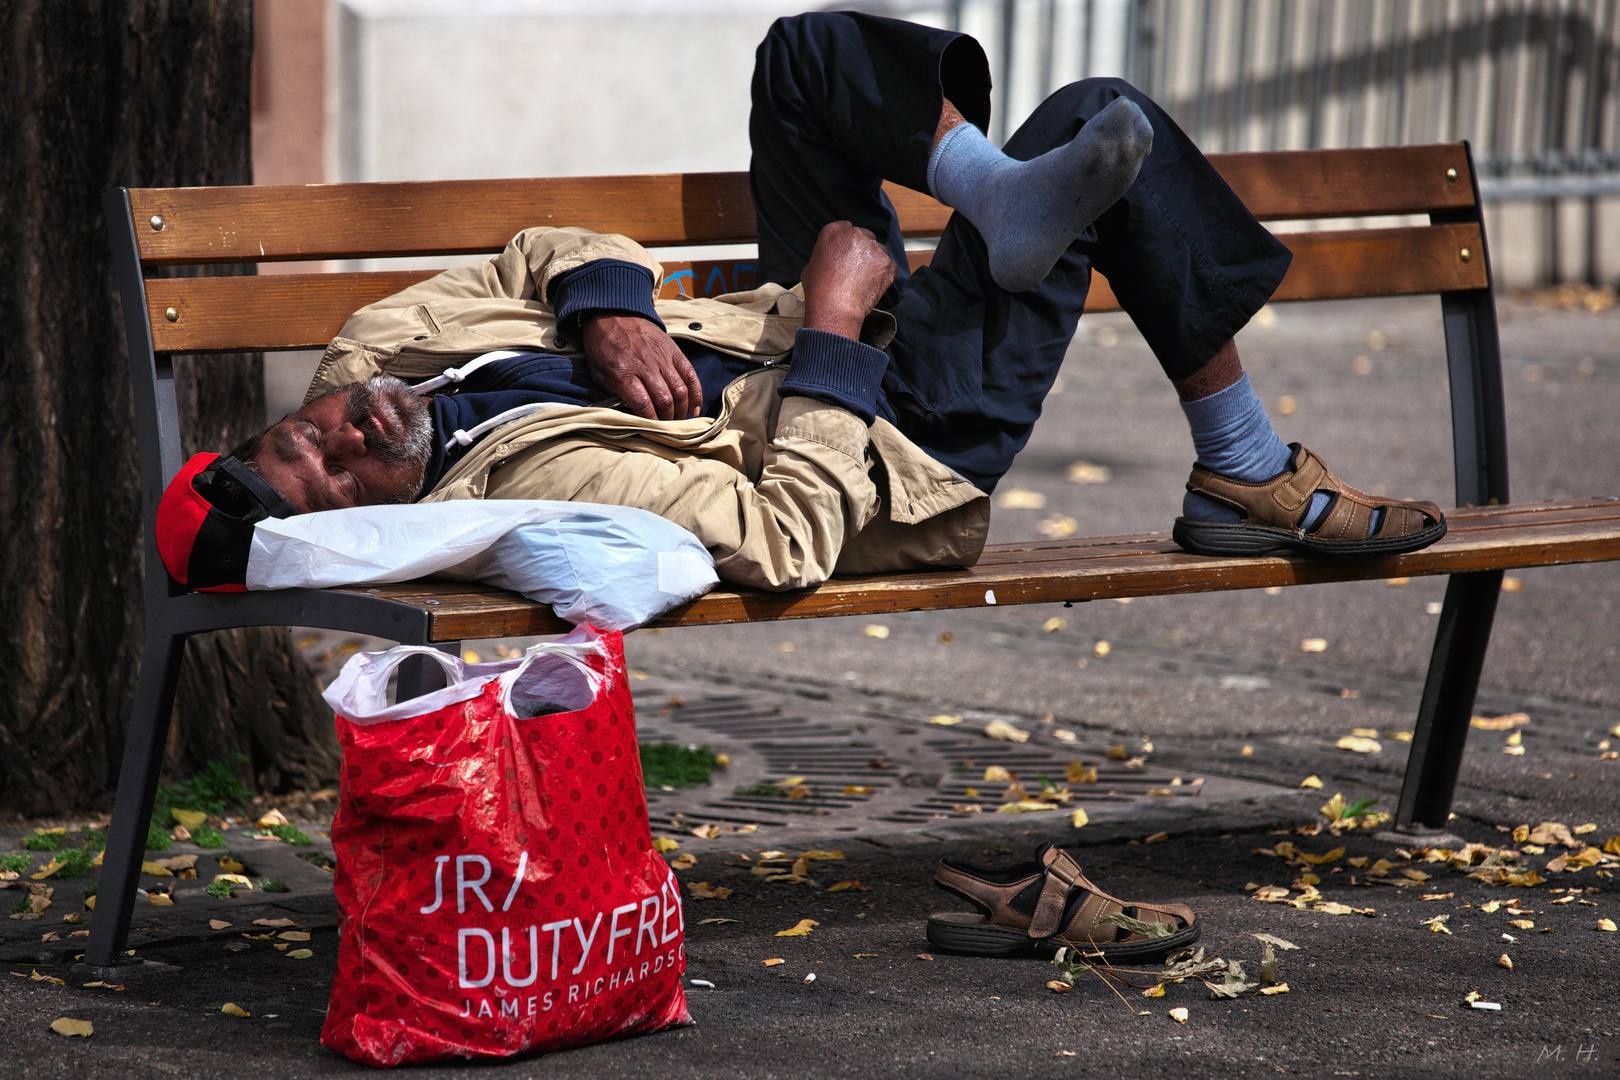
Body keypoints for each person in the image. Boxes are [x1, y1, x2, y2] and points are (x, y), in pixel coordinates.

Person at [153, 11, 1449, 955]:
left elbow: (541, 252)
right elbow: (787, 536)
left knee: (804, 57)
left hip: (782, 315)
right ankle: (1244, 464)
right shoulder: (512, 509)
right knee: (1114, 115)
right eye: (329, 472)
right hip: (901, 427)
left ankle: (995, 201)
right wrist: (837, 327)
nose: (343, 427)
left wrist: (608, 311)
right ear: (361, 525)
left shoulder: (376, 350)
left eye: (300, 430)